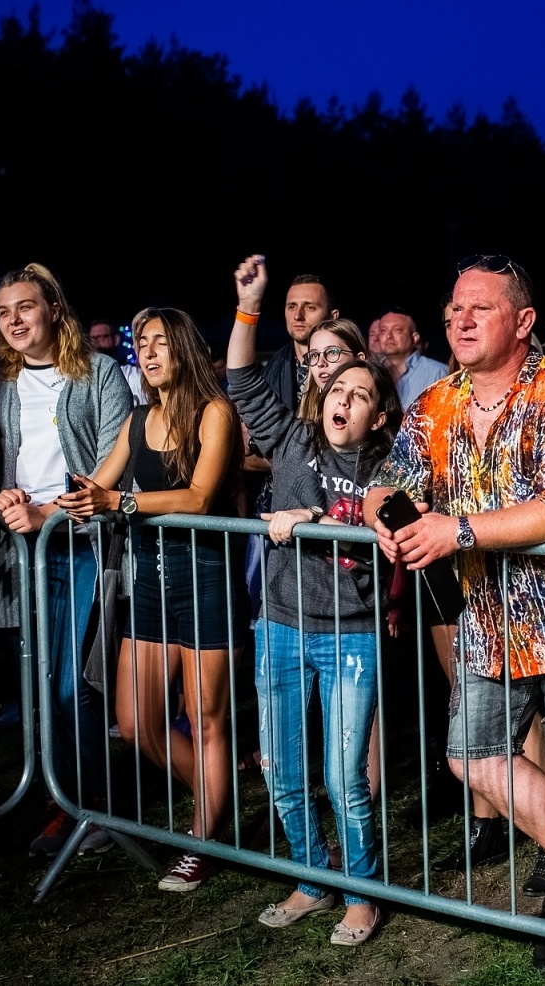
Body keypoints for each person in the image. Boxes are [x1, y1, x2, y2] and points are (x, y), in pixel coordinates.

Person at [367, 254, 545, 975]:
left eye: (479, 308)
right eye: (455, 307)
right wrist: (386, 518)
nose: (459, 319)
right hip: (489, 615)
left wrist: (454, 530)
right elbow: (387, 479)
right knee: (471, 756)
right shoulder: (435, 404)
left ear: (523, 322)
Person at [229, 256, 403, 945]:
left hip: (350, 636)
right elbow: (241, 380)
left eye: (361, 393)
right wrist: (249, 304)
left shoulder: (390, 468)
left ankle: (360, 893)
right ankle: (311, 880)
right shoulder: (294, 439)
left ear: (378, 413)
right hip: (280, 624)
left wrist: (306, 520)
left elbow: (386, 530)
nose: (344, 398)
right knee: (282, 772)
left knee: (343, 777)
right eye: (337, 388)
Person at [58, 307, 241, 892]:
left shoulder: (216, 412)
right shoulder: (138, 419)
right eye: (143, 343)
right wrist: (40, 508)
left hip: (206, 577)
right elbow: (99, 486)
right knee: (136, 721)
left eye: (161, 342)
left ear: (184, 348)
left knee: (208, 719)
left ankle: (205, 837)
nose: (150, 352)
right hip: (153, 583)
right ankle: (217, 811)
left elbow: (198, 497)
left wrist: (123, 505)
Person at [0, 264, 133, 857]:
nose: (14, 320)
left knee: (74, 686)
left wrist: (52, 513)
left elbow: (115, 470)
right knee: (40, 689)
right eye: (3, 312)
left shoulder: (99, 374)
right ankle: (61, 804)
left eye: (26, 307)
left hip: (83, 547)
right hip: (23, 555)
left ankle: (96, 809)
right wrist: (0, 496)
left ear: (53, 310)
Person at [262, 273, 339, 415]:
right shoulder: (272, 369)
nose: (298, 316)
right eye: (292, 307)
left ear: (332, 317)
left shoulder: (346, 367)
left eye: (310, 307)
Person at [370, 306, 449, 407]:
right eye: (383, 331)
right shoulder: (373, 372)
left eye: (397, 330)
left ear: (415, 337)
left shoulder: (438, 372)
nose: (389, 336)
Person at [89, 318, 145, 405]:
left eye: (101, 337)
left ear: (116, 339)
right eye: (92, 338)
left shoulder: (132, 376)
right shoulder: (84, 378)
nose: (96, 342)